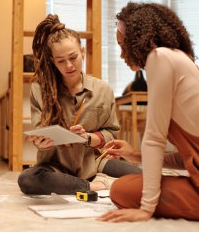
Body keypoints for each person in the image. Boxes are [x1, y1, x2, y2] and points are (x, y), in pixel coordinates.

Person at [99, 2, 199, 222]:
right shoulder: (180, 59)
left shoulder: (159, 58)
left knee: (121, 190)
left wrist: (146, 209)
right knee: (129, 183)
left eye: (122, 45)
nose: (121, 55)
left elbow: (154, 138)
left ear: (137, 40)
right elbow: (195, 156)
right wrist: (135, 155)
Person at [17, 14, 141, 195]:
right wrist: (42, 143)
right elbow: (39, 134)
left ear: (82, 52)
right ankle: (89, 186)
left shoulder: (102, 89)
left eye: (73, 57)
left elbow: (111, 133)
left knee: (142, 177)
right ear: (52, 61)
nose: (69, 66)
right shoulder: (39, 90)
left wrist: (88, 137)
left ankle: (79, 183)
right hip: (54, 166)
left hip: (94, 163)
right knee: (27, 179)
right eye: (61, 61)